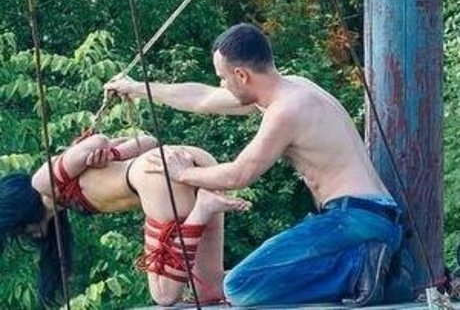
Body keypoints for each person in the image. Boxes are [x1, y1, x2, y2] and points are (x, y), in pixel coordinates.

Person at [104, 22, 404, 307]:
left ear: (241, 75)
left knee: (239, 286)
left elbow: (238, 175)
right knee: (247, 281)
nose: (222, 84)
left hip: (355, 220)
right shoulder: (293, 88)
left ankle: (359, 267)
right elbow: (203, 98)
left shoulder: (286, 111)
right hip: (369, 217)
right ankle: (367, 267)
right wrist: (137, 88)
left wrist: (183, 173)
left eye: (223, 78)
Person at [0, 132, 249, 307]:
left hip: (158, 176)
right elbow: (149, 141)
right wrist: (114, 155)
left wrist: (110, 152)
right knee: (208, 291)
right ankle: (203, 206)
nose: (28, 234)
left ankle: (202, 209)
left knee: (164, 295)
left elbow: (98, 141)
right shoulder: (63, 200)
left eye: (20, 229)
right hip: (184, 160)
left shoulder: (42, 182)